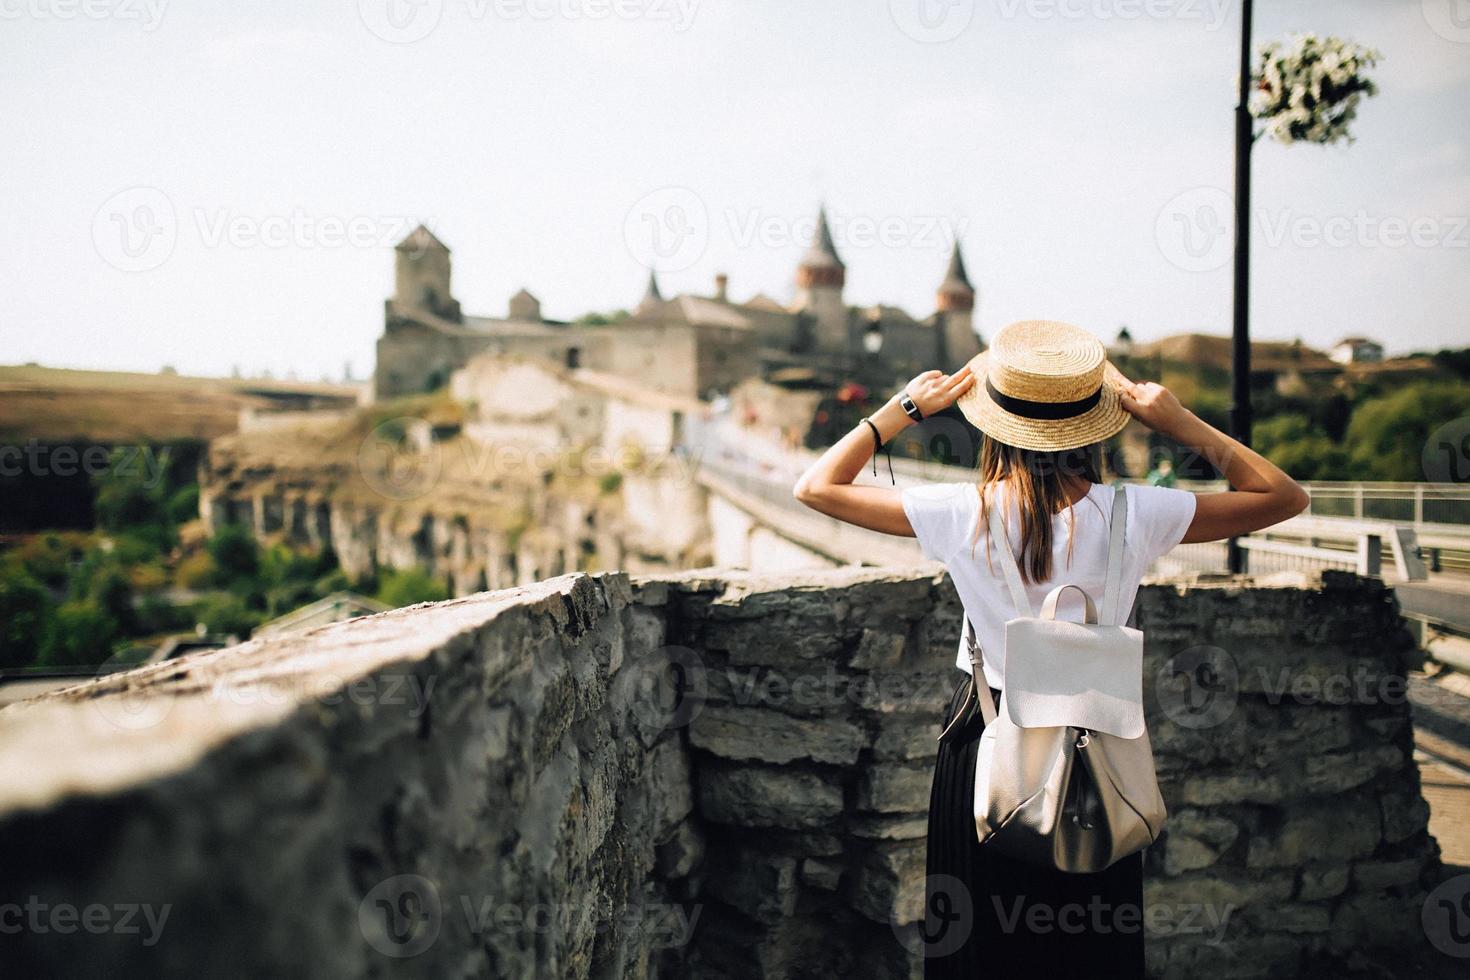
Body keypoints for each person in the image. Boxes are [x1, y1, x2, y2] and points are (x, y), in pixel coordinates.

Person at [792, 320, 1307, 976]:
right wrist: (1179, 424)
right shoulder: (1136, 513)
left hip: (988, 732)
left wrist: (904, 410)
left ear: (996, 426)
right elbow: (1284, 496)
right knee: (1090, 936)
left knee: (980, 937)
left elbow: (815, 486)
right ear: (1091, 429)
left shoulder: (963, 512)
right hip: (1096, 739)